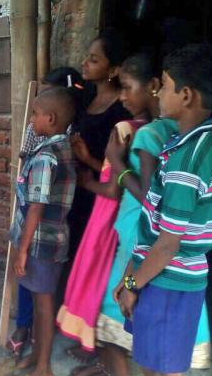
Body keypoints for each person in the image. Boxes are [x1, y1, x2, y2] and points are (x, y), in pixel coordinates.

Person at [71, 54, 211, 376]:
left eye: (127, 88)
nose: (122, 97)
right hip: (160, 256)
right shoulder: (192, 140)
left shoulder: (153, 136)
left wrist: (116, 164)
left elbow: (153, 204)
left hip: (153, 255)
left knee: (156, 357)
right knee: (159, 357)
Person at [114, 44, 212, 376]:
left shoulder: (187, 160)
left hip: (170, 281)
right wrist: (131, 274)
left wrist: (134, 283)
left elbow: (168, 243)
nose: (157, 93)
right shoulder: (188, 144)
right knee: (159, 369)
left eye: (163, 85)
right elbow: (154, 224)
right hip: (161, 276)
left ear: (186, 95)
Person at [57, 57, 149, 356]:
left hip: (111, 217)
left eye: (127, 88)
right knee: (104, 279)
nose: (123, 97)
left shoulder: (126, 129)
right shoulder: (149, 129)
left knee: (101, 281)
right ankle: (98, 353)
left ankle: (102, 356)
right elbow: (118, 177)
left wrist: (87, 180)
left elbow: (113, 187)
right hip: (121, 218)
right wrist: (90, 161)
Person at [8, 67, 84, 357]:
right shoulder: (64, 149)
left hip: (40, 243)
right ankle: (38, 360)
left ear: (50, 119)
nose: (31, 120)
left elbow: (36, 206)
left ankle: (42, 367)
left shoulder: (45, 157)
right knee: (43, 304)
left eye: (34, 114)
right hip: (52, 240)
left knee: (43, 306)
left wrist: (22, 250)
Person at [66, 30, 131, 364]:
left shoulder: (123, 111)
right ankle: (79, 328)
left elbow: (119, 168)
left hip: (102, 199)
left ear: (113, 69)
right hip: (79, 191)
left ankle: (95, 341)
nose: (85, 63)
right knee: (78, 260)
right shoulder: (86, 99)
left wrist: (88, 160)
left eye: (94, 59)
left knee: (97, 267)